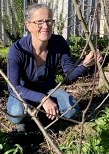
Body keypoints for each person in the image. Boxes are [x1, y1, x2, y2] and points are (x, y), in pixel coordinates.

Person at [6, 3, 101, 132]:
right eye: (39, 22)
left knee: (71, 108)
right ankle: (25, 119)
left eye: (49, 21)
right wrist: (43, 99)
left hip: (48, 89)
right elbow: (13, 87)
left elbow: (69, 75)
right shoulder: (17, 50)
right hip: (24, 93)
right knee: (16, 113)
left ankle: (46, 116)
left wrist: (84, 64)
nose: (45, 26)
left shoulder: (58, 43)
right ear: (28, 25)